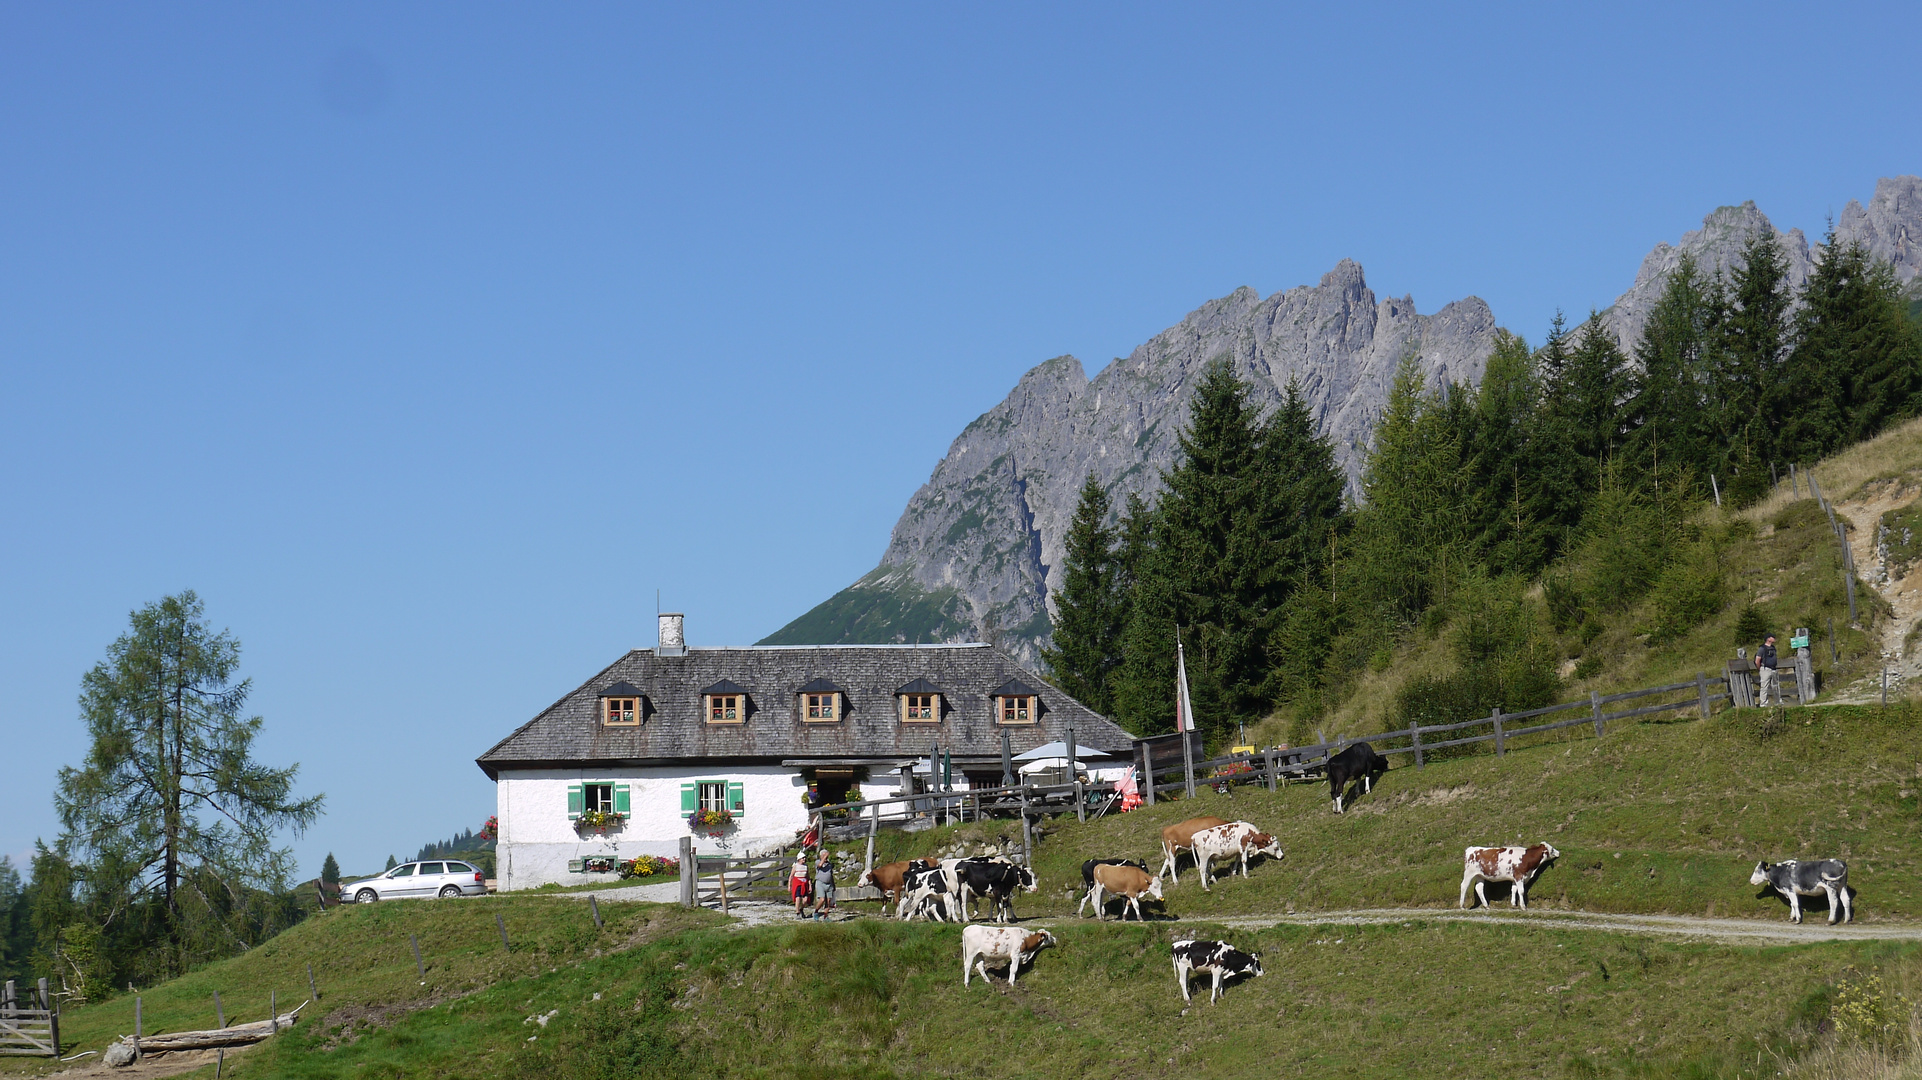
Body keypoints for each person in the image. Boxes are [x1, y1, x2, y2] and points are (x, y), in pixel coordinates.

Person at [811, 850, 836, 920]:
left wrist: (833, 885)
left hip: (829, 884)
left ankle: (825, 916)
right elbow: (820, 865)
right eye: (824, 856)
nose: (826, 858)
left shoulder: (829, 864)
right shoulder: (817, 862)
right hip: (820, 883)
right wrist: (824, 857)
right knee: (822, 899)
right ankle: (816, 911)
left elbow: (831, 875)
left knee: (828, 901)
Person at [1757, 634, 1780, 706]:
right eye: (1772, 637)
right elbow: (1757, 660)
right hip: (1765, 669)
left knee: (1776, 686)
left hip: (1773, 669)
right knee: (1764, 687)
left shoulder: (1773, 648)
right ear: (1768, 639)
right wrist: (1760, 669)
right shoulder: (1762, 648)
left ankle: (1778, 702)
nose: (1774, 638)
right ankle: (1763, 704)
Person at [790, 850, 812, 918]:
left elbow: (808, 876)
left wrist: (810, 885)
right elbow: (791, 876)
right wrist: (789, 885)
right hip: (797, 883)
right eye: (803, 858)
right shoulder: (795, 866)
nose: (804, 859)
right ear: (799, 859)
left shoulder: (806, 866)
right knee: (798, 898)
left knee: (805, 899)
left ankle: (801, 908)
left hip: (804, 883)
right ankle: (797, 912)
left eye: (804, 858)